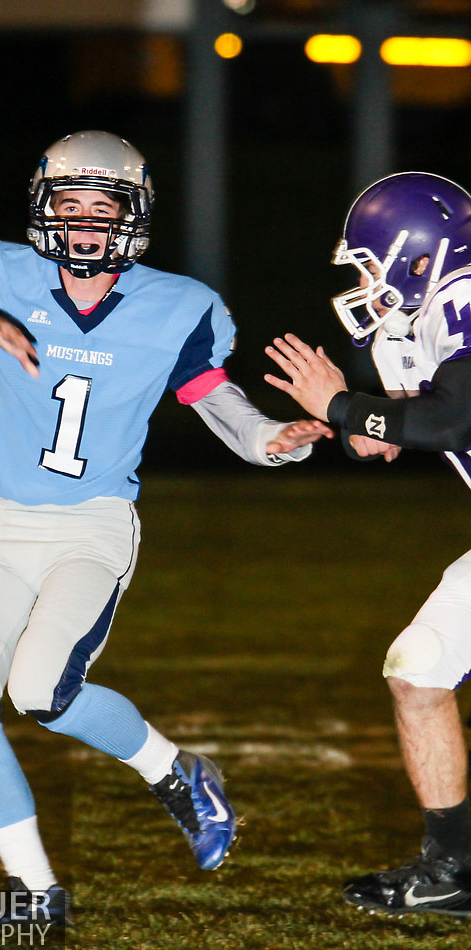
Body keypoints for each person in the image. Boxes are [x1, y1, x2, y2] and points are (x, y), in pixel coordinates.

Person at [0, 130, 332, 926]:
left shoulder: (179, 305)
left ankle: (175, 771)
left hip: (90, 527)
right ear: (43, 210)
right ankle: (37, 896)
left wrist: (270, 441)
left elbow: (219, 404)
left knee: (39, 690)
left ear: (131, 215)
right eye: (67, 204)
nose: (83, 222)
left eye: (101, 206)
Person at [263, 171, 471, 919]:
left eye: (370, 264)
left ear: (420, 257)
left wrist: (347, 406)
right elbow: (401, 429)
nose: (364, 282)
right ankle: (450, 871)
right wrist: (353, 426)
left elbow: (452, 425)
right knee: (417, 673)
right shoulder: (414, 323)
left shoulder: (465, 296)